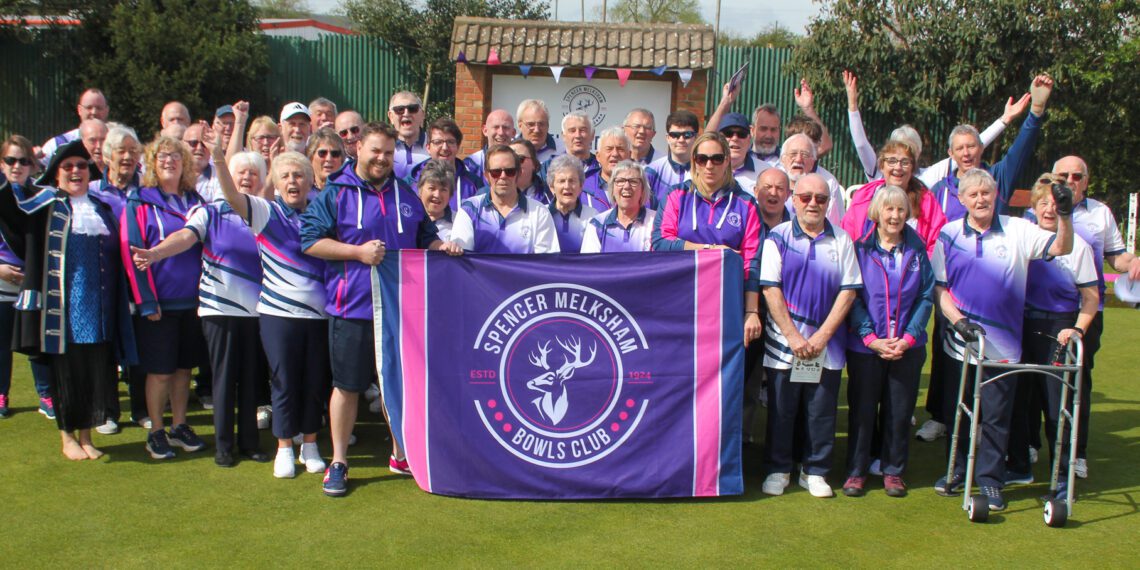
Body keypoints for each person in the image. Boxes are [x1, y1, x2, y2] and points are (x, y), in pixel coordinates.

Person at [300, 122, 462, 497]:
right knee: (347, 386)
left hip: (399, 311)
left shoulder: (406, 194)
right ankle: (339, 461)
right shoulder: (335, 193)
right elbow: (310, 242)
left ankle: (400, 453)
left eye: (388, 153)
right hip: (351, 308)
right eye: (375, 151)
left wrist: (442, 248)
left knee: (398, 383)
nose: (382, 159)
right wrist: (356, 253)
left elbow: (425, 239)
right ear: (358, 149)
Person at [920, 73, 1054, 444]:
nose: (967, 152)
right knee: (946, 354)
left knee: (992, 364)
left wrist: (1035, 113)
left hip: (993, 290)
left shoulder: (996, 180)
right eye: (960, 147)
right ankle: (945, 419)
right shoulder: (938, 186)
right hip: (949, 285)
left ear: (981, 149)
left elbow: (1021, 150)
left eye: (973, 146)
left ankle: (987, 431)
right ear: (952, 153)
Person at [931, 168, 1074, 512]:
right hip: (961, 342)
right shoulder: (948, 235)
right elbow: (940, 288)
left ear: (995, 195)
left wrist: (1065, 215)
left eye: (986, 193)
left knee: (996, 418)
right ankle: (957, 470)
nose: (980, 199)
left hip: (1004, 346)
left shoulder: (1018, 229)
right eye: (973, 194)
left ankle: (991, 481)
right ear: (962, 199)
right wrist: (958, 321)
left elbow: (1060, 245)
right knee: (960, 414)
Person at [129, 141, 269, 467]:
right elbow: (186, 237)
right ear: (226, 177)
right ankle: (224, 447)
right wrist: (155, 253)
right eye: (240, 172)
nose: (246, 178)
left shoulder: (264, 213)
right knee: (223, 378)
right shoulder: (207, 210)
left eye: (253, 173)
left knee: (251, 379)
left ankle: (250, 442)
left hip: (256, 311)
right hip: (218, 309)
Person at [0, 140, 136, 460]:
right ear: (57, 173)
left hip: (100, 308)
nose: (76, 171)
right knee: (66, 375)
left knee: (95, 373)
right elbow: (10, 208)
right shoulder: (46, 206)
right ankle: (67, 437)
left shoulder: (101, 207)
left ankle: (87, 436)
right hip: (62, 311)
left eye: (81, 166)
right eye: (68, 167)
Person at [214, 135, 330, 479]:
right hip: (278, 315)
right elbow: (233, 197)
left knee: (313, 382)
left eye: (299, 175)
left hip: (319, 315)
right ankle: (284, 447)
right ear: (275, 183)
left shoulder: (321, 214)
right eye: (286, 176)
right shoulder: (264, 211)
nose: (293, 182)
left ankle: (310, 444)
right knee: (283, 382)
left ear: (310, 180)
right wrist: (220, 160)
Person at [758, 173, 861, 499]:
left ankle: (814, 471)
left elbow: (848, 293)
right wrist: (794, 337)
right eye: (805, 197)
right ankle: (779, 468)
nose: (813, 204)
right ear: (794, 199)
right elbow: (770, 290)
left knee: (820, 412)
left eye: (820, 198)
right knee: (782, 410)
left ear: (829, 203)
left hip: (826, 346)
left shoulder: (843, 240)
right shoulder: (778, 237)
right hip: (784, 344)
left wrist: (821, 338)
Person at [1042, 156, 1140, 478]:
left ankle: (1076, 452)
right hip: (1041, 307)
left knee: (1079, 381)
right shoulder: (1041, 206)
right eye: (1063, 175)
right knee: (1037, 376)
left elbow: (1116, 257)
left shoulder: (1100, 213)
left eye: (1077, 175)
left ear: (1086, 180)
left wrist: (1134, 262)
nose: (1069, 180)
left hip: (1086, 309)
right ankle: (1029, 445)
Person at [1005, 174, 1098, 494]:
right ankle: (1018, 465)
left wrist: (1077, 329)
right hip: (1018, 325)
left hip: (1057, 328)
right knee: (1016, 398)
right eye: (1042, 203)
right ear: (1033, 207)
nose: (1049, 209)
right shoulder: (1020, 237)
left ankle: (1062, 473)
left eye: (1055, 203)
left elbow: (1091, 298)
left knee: (1057, 403)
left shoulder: (1078, 246)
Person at [121, 136, 209, 460]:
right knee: (160, 371)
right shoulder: (139, 202)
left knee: (184, 369)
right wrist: (147, 301)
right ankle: (156, 429)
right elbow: (132, 253)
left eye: (175, 156)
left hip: (193, 303)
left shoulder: (195, 201)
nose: (169, 161)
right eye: (162, 157)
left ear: (185, 163)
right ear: (153, 164)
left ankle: (180, 424)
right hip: (159, 304)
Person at [843, 185, 934, 498]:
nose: (895, 216)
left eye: (900, 209)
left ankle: (893, 470)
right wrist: (870, 337)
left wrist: (908, 338)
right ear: (877, 213)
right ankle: (856, 471)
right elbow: (852, 296)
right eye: (889, 209)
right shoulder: (860, 248)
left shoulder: (917, 248)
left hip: (907, 347)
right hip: (866, 347)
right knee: (863, 410)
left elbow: (925, 296)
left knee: (898, 411)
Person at [651, 131, 763, 350]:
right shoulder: (676, 195)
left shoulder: (746, 204)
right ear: (695, 162)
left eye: (716, 158)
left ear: (727, 161)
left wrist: (751, 312)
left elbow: (751, 263)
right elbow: (660, 243)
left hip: (725, 302)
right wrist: (709, 250)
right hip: (679, 298)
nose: (709, 165)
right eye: (702, 159)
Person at [841, 69, 1026, 186]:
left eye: (909, 152)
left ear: (918, 153)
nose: (900, 163)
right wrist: (852, 106)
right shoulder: (879, 173)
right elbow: (861, 145)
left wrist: (1003, 120)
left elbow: (970, 148)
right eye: (895, 152)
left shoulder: (928, 176)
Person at [0, 135, 54, 420]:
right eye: (10, 160)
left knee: (36, 340)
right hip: (1, 280)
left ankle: (45, 395)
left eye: (23, 161)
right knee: (0, 343)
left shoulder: (43, 197)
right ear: (2, 164)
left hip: (34, 281)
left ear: (33, 165)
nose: (16, 166)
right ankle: (1, 394)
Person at [841, 141, 947, 253]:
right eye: (891, 161)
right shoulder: (864, 197)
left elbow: (936, 245)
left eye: (905, 162)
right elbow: (847, 238)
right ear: (881, 166)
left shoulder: (927, 202)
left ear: (912, 168)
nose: (898, 167)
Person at [452, 145, 559, 254]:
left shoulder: (539, 212)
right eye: (496, 172)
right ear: (486, 176)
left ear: (518, 173)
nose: (503, 176)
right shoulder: (469, 209)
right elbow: (462, 259)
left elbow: (546, 263)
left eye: (510, 171)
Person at [407, 117, 483, 210]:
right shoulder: (410, 182)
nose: (445, 148)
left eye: (450, 142)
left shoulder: (474, 184)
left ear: (458, 146)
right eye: (438, 142)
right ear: (428, 148)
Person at [581, 160, 655, 253]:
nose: (626, 186)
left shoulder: (656, 222)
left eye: (633, 181)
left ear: (643, 189)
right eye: (620, 181)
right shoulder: (597, 224)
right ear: (612, 189)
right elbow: (590, 264)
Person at [777, 134, 845, 226]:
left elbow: (835, 231)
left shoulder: (825, 195)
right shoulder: (772, 192)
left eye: (805, 155)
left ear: (813, 162)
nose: (798, 159)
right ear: (782, 160)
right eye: (793, 154)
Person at [40, 88, 109, 165]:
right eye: (89, 107)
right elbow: (37, 170)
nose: (94, 112)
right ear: (79, 110)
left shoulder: (117, 143)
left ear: (107, 110)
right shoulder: (58, 144)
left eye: (99, 108)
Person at [545, 154, 597, 253]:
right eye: (561, 181)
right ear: (552, 187)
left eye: (572, 181)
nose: (567, 186)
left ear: (581, 186)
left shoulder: (592, 216)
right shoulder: (542, 214)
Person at [646, 110, 699, 206]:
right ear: (667, 138)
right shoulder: (652, 171)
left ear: (696, 137)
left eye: (687, 135)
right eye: (675, 135)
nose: (681, 140)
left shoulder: (705, 170)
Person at [581, 126, 632, 210]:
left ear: (629, 155)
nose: (615, 154)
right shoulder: (582, 188)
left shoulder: (640, 189)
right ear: (598, 156)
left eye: (620, 149)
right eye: (609, 149)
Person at [463, 109, 515, 180]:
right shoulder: (471, 164)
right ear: (485, 131)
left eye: (505, 127)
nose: (501, 133)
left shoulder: (521, 161)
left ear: (513, 132)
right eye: (496, 127)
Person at [552, 111, 600, 188]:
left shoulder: (601, 167)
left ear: (592, 135)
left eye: (583, 130)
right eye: (572, 130)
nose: (577, 135)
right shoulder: (549, 166)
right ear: (563, 136)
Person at [388, 92, 428, 179]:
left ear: (422, 115)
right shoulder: (383, 148)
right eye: (399, 109)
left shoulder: (435, 146)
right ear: (391, 116)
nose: (406, 113)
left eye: (412, 109)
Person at [416, 159, 456, 241]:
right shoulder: (410, 219)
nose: (437, 195)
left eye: (443, 190)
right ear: (420, 190)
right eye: (432, 188)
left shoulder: (459, 223)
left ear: (450, 194)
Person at [517, 99, 563, 163]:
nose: (536, 130)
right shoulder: (509, 150)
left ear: (548, 125)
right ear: (520, 125)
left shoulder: (563, 149)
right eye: (531, 124)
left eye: (541, 124)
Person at [509, 140, 551, 205]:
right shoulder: (494, 195)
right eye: (510, 159)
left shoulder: (550, 194)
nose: (515, 163)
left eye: (520, 158)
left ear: (534, 163)